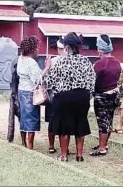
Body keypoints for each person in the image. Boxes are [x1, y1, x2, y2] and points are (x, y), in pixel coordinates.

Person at [43, 32, 96, 162]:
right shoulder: (85, 61)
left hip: (64, 98)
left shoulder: (61, 61)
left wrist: (47, 69)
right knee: (80, 124)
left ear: (66, 46)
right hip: (81, 97)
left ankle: (64, 155)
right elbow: (92, 80)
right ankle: (79, 155)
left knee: (64, 128)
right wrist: (88, 96)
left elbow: (49, 81)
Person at [90, 34, 121, 156]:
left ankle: (102, 148)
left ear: (99, 49)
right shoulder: (117, 62)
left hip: (102, 95)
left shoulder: (100, 64)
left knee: (102, 121)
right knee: (109, 119)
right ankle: (105, 143)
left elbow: (94, 81)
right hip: (114, 94)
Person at [17, 36, 50, 150]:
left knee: (23, 118)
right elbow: (37, 79)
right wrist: (47, 67)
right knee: (31, 119)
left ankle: (23, 142)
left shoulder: (20, 58)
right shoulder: (31, 62)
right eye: (37, 48)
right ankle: (30, 145)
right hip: (30, 93)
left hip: (21, 91)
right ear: (32, 49)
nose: (38, 51)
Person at [45, 37, 67, 154]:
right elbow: (47, 79)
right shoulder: (53, 61)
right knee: (52, 122)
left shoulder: (71, 61)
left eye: (62, 48)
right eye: (58, 48)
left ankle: (64, 147)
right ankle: (51, 145)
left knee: (64, 122)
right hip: (54, 96)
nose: (60, 51)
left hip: (66, 96)